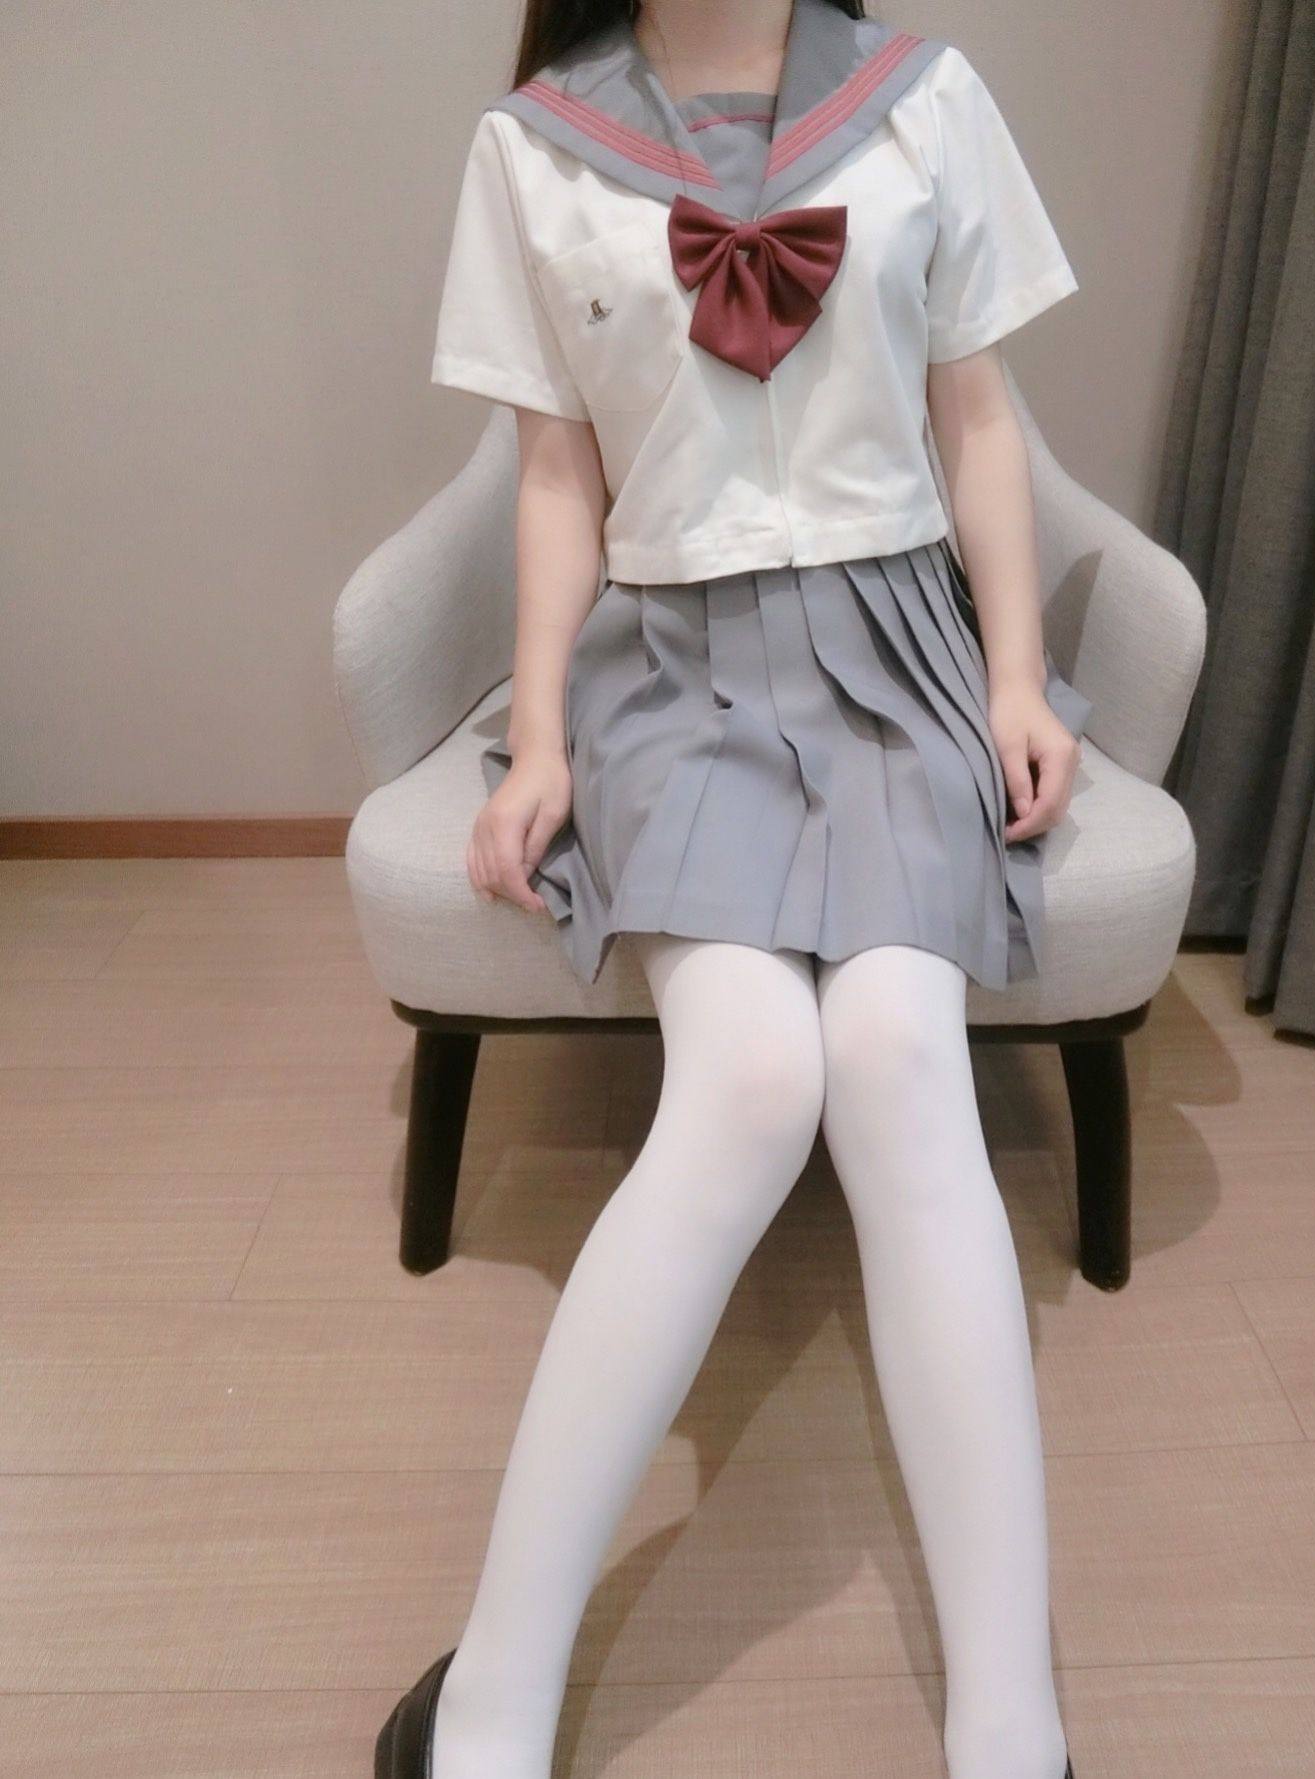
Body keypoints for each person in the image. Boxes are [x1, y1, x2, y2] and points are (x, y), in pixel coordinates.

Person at [378, 3, 1086, 1775]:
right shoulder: (534, 147)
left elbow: (977, 415)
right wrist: (541, 737)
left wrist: (1013, 679)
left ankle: (1013, 1723)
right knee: (755, 1074)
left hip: (900, 652)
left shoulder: (924, 102)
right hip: (671, 670)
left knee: (904, 1057)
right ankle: (498, 1690)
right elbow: (559, 474)